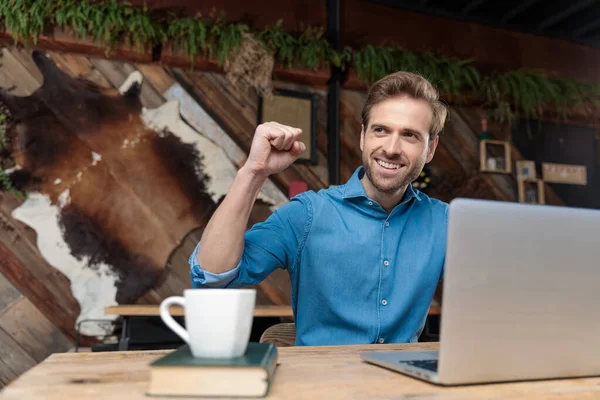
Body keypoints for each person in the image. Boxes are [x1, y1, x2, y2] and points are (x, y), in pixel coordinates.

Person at [189, 71, 448, 346]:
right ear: (363, 137)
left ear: (430, 149)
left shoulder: (445, 222)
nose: (391, 148)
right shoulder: (308, 214)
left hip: (405, 385)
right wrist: (254, 172)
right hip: (320, 384)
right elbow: (211, 279)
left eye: (409, 135)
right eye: (380, 130)